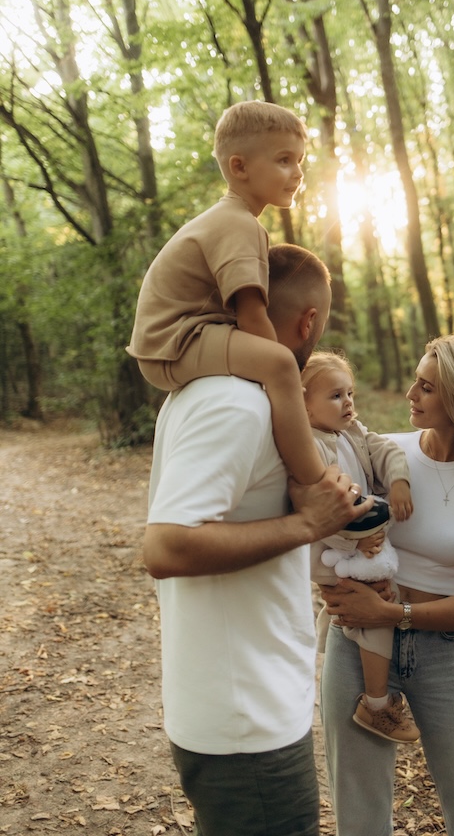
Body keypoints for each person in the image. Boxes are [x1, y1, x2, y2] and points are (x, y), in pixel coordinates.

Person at [142, 243, 373, 836]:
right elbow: (165, 547)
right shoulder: (235, 403)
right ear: (309, 322)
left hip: (247, 704)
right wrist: (307, 525)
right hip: (245, 721)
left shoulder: (224, 392)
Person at [319, 334, 454, 836]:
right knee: (360, 812)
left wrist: (393, 615)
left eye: (426, 386)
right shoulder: (387, 452)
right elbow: (329, 513)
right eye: (415, 380)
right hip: (356, 644)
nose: (411, 393)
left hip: (445, 652)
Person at [127, 100, 325, 486]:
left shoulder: (233, 219)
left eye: (300, 161)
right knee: (282, 365)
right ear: (239, 167)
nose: (298, 173)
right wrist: (277, 372)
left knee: (274, 364)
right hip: (175, 339)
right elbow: (252, 316)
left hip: (177, 338)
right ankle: (314, 480)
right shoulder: (238, 225)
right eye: (285, 160)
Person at [302, 352, 418, 743]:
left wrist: (398, 480)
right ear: (302, 403)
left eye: (349, 392)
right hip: (335, 546)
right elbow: (315, 506)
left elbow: (384, 449)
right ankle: (377, 703)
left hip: (359, 542)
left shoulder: (351, 432)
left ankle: (335, 623)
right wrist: (354, 538)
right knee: (378, 617)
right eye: (335, 396)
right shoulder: (309, 449)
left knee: (368, 604)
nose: (348, 402)